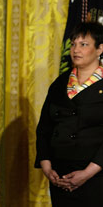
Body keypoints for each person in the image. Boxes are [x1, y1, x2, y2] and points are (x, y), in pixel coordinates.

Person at [35, 22, 103, 206]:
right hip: (60, 173)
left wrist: (87, 173)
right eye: (73, 44)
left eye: (84, 44)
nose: (76, 50)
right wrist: (47, 166)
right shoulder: (60, 83)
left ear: (100, 49)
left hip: (96, 174)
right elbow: (44, 127)